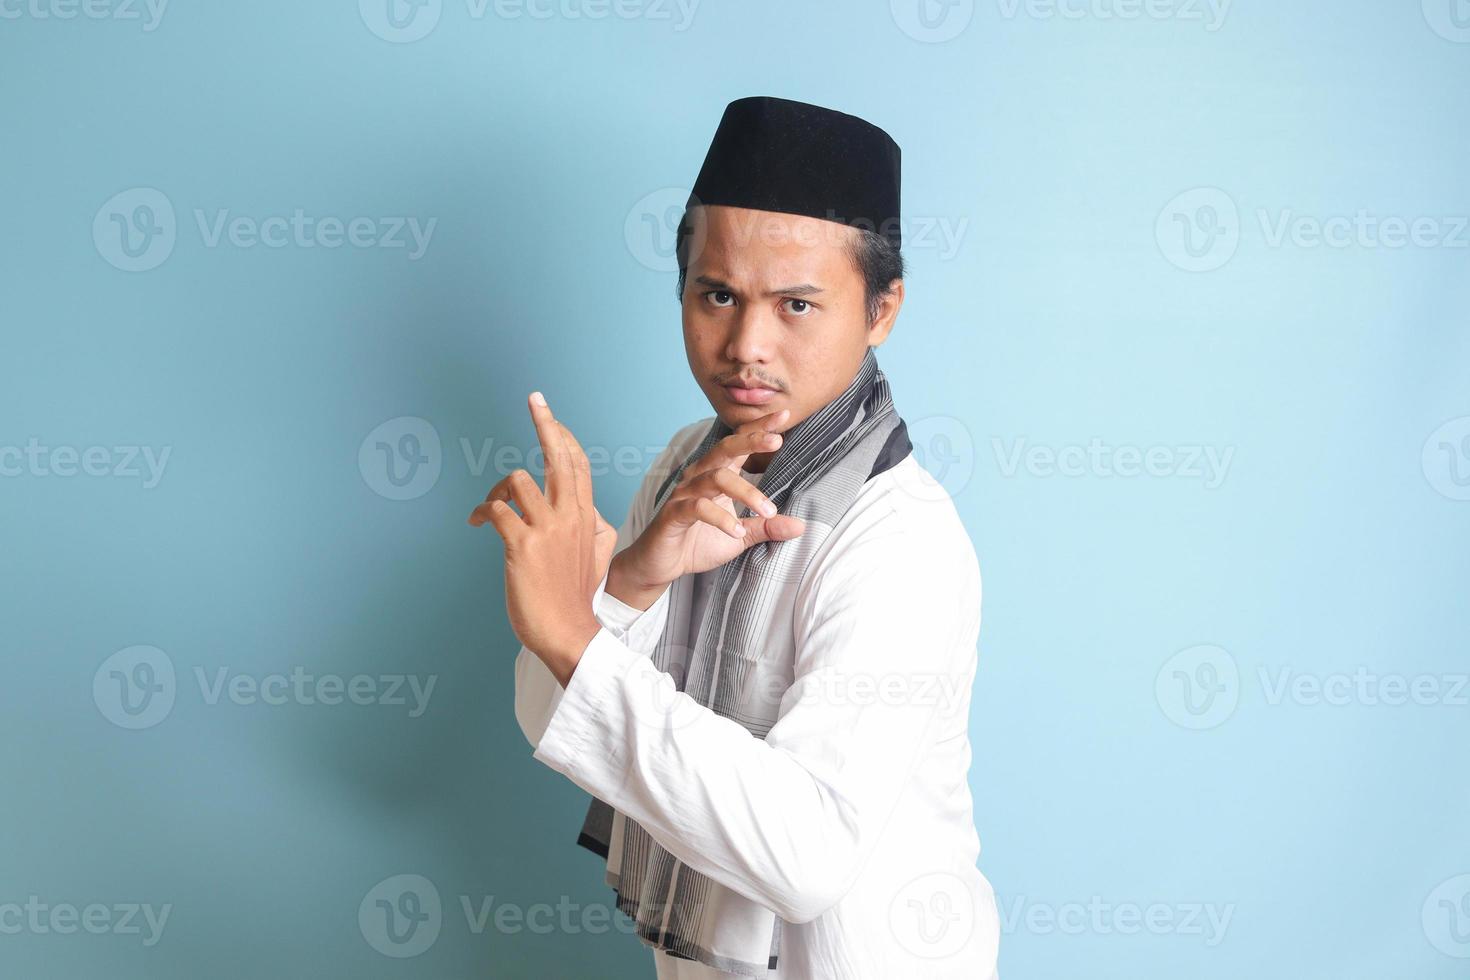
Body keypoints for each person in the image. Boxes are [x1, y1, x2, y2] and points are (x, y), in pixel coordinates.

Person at [469, 96, 1000, 979]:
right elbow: (554, 720)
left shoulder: (900, 538)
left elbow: (808, 855)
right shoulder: (693, 466)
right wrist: (630, 578)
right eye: (717, 294)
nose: (746, 345)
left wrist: (571, 628)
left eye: (797, 303)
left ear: (882, 309)